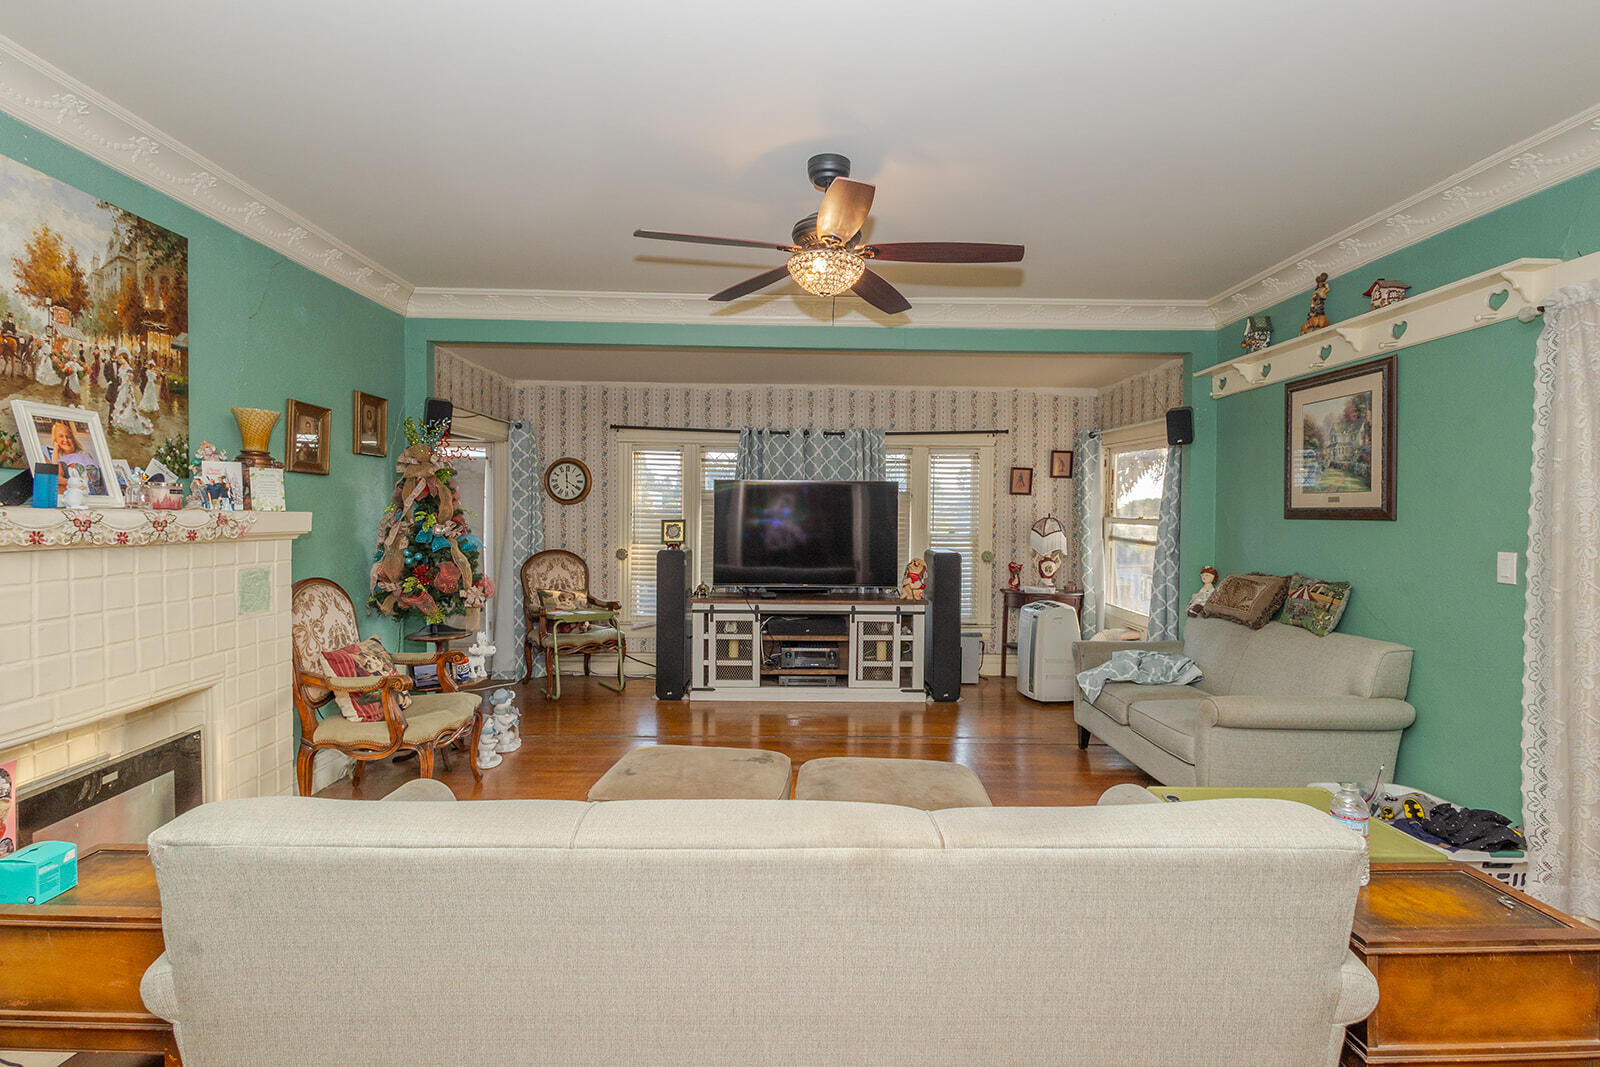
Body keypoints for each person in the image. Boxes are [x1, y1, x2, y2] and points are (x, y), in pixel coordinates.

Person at [43, 420, 106, 495]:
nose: (65, 440)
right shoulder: (57, 456)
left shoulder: (84, 455)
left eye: (68, 436)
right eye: (61, 436)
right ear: (55, 440)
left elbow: (92, 485)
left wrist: (65, 481)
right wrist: (56, 450)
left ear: (73, 439)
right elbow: (56, 477)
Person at [110, 355, 153, 436]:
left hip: (126, 388)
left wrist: (120, 387)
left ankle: (127, 422)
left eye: (122, 358)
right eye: (120, 358)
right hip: (122, 388)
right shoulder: (121, 367)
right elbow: (120, 378)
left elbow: (127, 380)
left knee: (127, 404)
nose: (120, 360)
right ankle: (120, 420)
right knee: (120, 402)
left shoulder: (129, 369)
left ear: (125, 359)